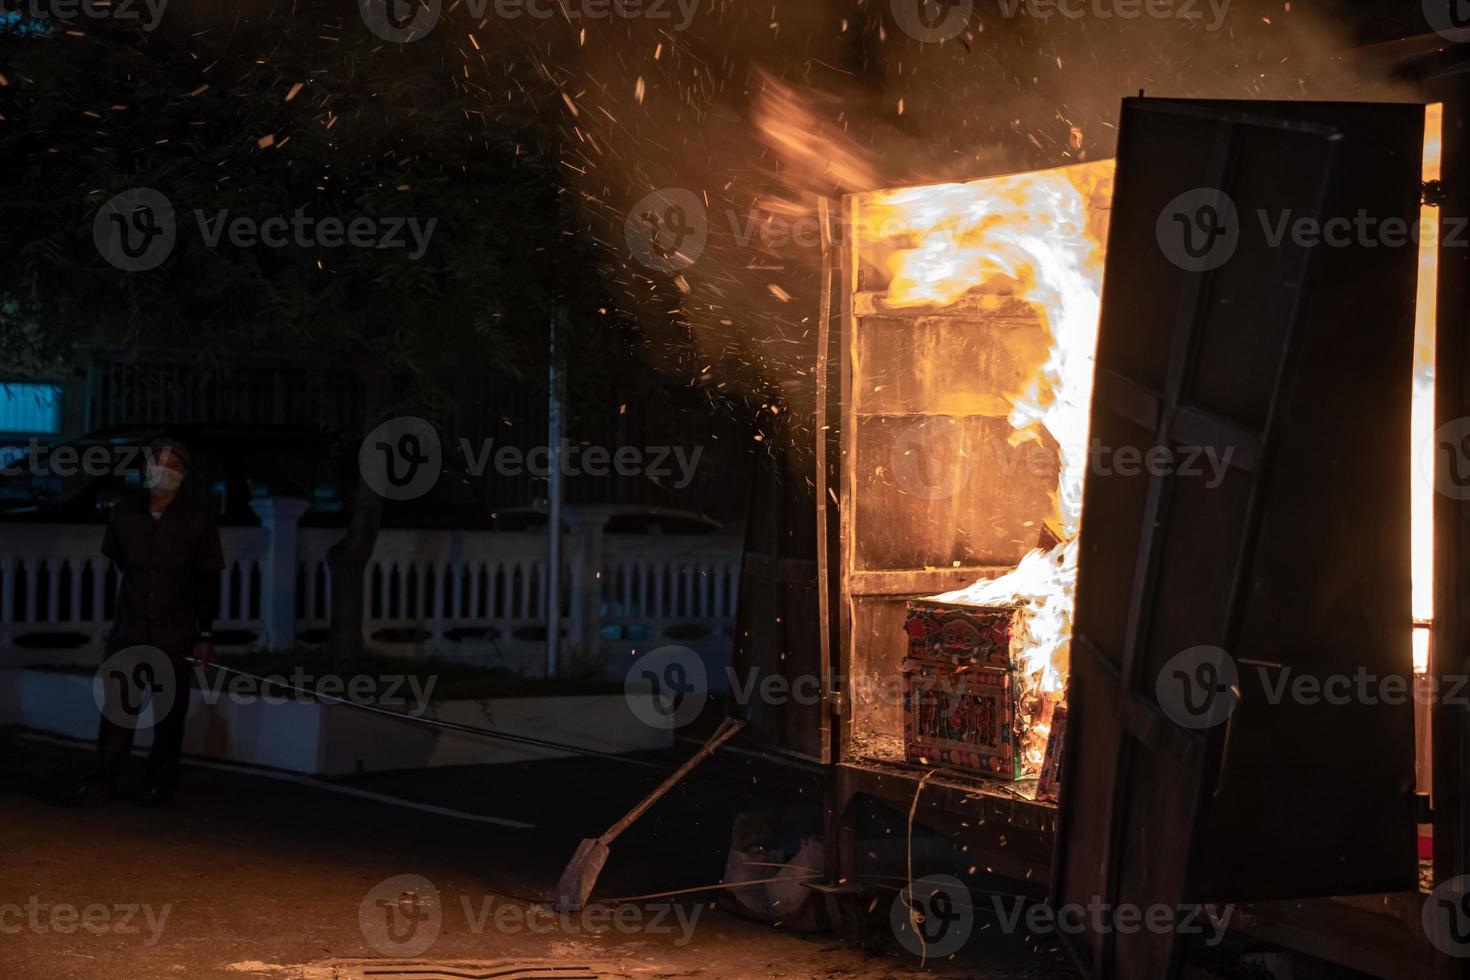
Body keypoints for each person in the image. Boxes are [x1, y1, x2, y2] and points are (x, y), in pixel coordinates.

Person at [75, 437, 224, 805]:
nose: (165, 471)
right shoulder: (125, 512)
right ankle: (104, 780)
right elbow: (120, 559)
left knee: (170, 714)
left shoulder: (198, 519)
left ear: (184, 474)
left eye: (174, 465)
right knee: (117, 709)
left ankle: (160, 782)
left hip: (175, 631)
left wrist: (204, 634)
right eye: (159, 462)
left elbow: (207, 578)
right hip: (130, 628)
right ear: (145, 468)